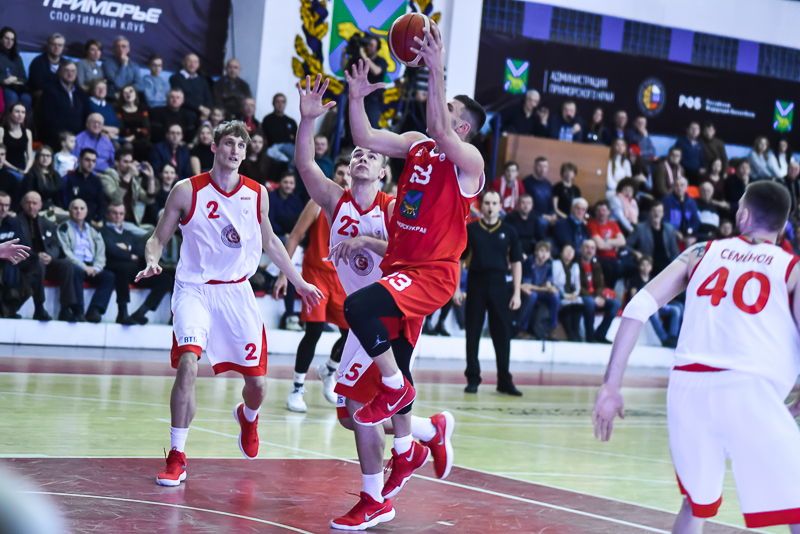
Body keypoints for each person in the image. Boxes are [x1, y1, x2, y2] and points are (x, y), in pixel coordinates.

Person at [336, 21, 485, 523]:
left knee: (358, 308)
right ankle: (412, 447)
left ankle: (399, 400)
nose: (440, 110)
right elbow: (365, 136)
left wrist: (434, 66)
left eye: (451, 108)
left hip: (431, 274)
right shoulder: (419, 144)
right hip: (401, 271)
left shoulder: (468, 163)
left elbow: (442, 129)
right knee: (383, 375)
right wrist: (355, 97)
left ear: (463, 127)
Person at [594, 180, 800, 533]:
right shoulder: (791, 268)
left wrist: (611, 386)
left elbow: (638, 307)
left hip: (688, 389)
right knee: (795, 505)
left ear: (743, 216)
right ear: (782, 227)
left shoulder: (701, 252)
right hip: (750, 390)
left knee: (694, 504)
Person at [294, 74, 453, 530]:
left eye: (371, 155)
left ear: (384, 171)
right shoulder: (335, 201)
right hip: (362, 320)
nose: (361, 158)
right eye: (356, 155)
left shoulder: (393, 208)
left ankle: (375, 498)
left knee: (361, 410)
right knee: (351, 415)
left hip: (392, 315)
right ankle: (426, 433)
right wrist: (307, 120)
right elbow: (305, 164)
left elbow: (411, 252)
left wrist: (366, 240)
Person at [134, 120, 322, 486]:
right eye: (229, 143)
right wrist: (152, 260)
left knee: (258, 386)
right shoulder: (186, 190)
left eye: (241, 145)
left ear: (246, 153)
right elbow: (157, 238)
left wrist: (298, 281)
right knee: (188, 363)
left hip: (236, 292)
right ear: (215, 147)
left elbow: (271, 242)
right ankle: (177, 455)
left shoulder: (257, 193)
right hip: (194, 289)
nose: (235, 150)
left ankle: (248, 417)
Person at [272, 158, 351, 412]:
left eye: (348, 174)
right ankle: (297, 388)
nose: (344, 178)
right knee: (314, 330)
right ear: (333, 176)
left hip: (343, 278)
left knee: (353, 334)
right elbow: (295, 236)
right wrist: (284, 274)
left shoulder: (360, 208)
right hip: (316, 275)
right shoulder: (317, 203)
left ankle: (329, 369)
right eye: (340, 173)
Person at [461, 190, 522, 394]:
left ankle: (504, 380)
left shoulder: (509, 231)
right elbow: (460, 260)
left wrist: (517, 293)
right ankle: (472, 377)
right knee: (473, 331)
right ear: (482, 205)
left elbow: (516, 262)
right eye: (487, 203)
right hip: (476, 281)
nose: (490, 206)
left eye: (494, 203)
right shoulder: (471, 229)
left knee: (502, 333)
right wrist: (456, 289)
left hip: (499, 283)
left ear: (500, 206)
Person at [101, 202, 172, 324]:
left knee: (166, 279)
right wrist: (131, 255)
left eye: (121, 214)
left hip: (132, 269)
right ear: (107, 215)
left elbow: (142, 250)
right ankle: (122, 313)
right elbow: (111, 250)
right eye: (114, 213)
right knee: (122, 269)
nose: (118, 216)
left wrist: (127, 248)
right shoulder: (103, 231)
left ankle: (141, 312)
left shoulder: (128, 234)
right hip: (114, 267)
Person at [18, 191, 78, 321]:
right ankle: (39, 307)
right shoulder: (16, 222)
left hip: (46, 261)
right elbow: (17, 245)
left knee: (66, 264)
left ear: (40, 206)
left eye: (35, 203)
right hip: (27, 262)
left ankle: (66, 309)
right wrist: (35, 256)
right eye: (28, 203)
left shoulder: (47, 223)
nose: (31, 206)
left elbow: (56, 245)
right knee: (38, 263)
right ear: (22, 204)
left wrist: (50, 256)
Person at [57, 198, 115, 322]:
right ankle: (78, 311)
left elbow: (100, 251)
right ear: (70, 211)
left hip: (91, 266)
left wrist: (97, 267)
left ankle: (95, 310)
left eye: (82, 208)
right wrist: (83, 266)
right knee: (76, 272)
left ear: (86, 212)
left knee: (109, 276)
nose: (79, 211)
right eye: (75, 208)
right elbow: (66, 252)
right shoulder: (63, 228)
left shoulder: (92, 230)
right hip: (75, 265)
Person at [626, 254, 682, 348]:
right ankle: (664, 339)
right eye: (643, 264)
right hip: (645, 306)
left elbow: (660, 293)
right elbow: (633, 295)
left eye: (647, 265)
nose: (645, 267)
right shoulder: (635, 279)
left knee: (676, 310)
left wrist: (661, 302)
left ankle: (673, 337)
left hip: (656, 305)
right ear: (639, 266)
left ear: (651, 267)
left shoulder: (653, 279)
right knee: (654, 313)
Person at [100, 147, 156, 232]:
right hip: (117, 223)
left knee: (159, 232)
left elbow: (149, 200)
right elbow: (116, 200)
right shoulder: (107, 178)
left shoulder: (132, 181)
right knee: (151, 236)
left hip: (133, 223)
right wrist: (129, 175)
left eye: (131, 162)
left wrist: (151, 178)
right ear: (116, 163)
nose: (130, 166)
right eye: (126, 162)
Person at [39, 61, 89, 150]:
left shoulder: (80, 92)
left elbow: (87, 113)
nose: (70, 74)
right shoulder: (50, 91)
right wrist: (65, 134)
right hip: (58, 134)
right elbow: (49, 117)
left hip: (78, 134)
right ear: (60, 72)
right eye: (66, 70)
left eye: (73, 71)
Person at [578, 239, 620, 343]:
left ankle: (600, 334)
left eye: (592, 248)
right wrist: (593, 298)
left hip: (595, 297)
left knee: (615, 304)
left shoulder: (596, 265)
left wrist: (599, 296)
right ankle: (590, 336)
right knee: (590, 302)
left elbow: (601, 284)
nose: (589, 250)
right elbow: (577, 286)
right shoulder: (576, 264)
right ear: (581, 249)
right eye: (587, 247)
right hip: (581, 295)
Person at [517, 240, 559, 339]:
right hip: (527, 290)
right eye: (542, 250)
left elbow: (548, 281)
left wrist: (550, 287)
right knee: (532, 295)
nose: (544, 254)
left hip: (540, 290)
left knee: (555, 296)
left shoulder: (549, 263)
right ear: (536, 252)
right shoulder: (529, 262)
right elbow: (527, 285)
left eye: (547, 252)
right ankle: (522, 328)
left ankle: (551, 327)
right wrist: (545, 289)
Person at [0, 190, 32, 317]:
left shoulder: (12, 222)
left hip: (11, 261)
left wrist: (18, 257)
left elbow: (22, 244)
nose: (3, 209)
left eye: (7, 205)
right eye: (0, 205)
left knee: (35, 262)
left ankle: (12, 307)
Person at [626, 202, 679, 276]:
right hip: (648, 264)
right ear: (650, 212)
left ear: (663, 214)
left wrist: (675, 266)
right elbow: (626, 245)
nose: (657, 214)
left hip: (666, 263)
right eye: (654, 211)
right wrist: (635, 252)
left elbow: (675, 252)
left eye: (659, 211)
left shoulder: (669, 228)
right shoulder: (640, 228)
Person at [20, 145, 66, 220]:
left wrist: (60, 208)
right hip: (37, 210)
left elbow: (58, 196)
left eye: (48, 156)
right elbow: (29, 196)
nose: (45, 158)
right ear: (37, 157)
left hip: (54, 208)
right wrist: (48, 207)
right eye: (42, 155)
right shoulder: (31, 174)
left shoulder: (55, 175)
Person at [587, 200, 626, 288]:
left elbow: (622, 242)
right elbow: (600, 246)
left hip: (613, 258)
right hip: (599, 258)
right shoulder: (592, 224)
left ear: (608, 211)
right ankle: (605, 291)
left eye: (604, 210)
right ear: (595, 212)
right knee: (609, 268)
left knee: (624, 267)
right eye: (598, 210)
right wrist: (614, 243)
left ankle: (610, 292)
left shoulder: (613, 224)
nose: (601, 213)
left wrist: (606, 241)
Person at [65, 148, 106, 229]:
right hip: (74, 219)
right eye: (87, 160)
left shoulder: (96, 181)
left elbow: (101, 203)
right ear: (79, 160)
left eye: (93, 161)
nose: (91, 164)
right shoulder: (69, 179)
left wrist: (101, 220)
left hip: (95, 220)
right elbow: (67, 204)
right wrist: (90, 221)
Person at [552, 243, 584, 341]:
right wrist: (565, 295)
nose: (569, 253)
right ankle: (570, 333)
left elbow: (578, 284)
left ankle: (575, 332)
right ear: (561, 253)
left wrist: (575, 294)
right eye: (567, 251)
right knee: (567, 305)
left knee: (579, 303)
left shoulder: (575, 265)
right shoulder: (556, 264)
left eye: (571, 251)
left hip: (572, 295)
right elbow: (555, 282)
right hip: (561, 294)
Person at [169, 54, 213, 120]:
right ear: (183, 63)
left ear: (198, 65)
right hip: (186, 110)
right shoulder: (175, 78)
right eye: (189, 61)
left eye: (195, 62)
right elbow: (180, 99)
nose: (192, 64)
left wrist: (207, 109)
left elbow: (208, 97)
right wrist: (199, 108)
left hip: (203, 111)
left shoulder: (203, 80)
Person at [0, 28, 32, 113]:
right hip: (3, 87)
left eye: (12, 39)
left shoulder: (17, 57)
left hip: (17, 87)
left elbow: (24, 77)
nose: (9, 42)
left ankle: (24, 121)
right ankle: (8, 121)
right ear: (1, 39)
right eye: (7, 38)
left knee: (26, 98)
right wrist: (3, 80)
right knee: (12, 96)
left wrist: (16, 79)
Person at [662, 177, 700, 248]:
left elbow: (695, 221)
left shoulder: (692, 202)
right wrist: (674, 231)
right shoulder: (666, 200)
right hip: (672, 232)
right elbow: (665, 219)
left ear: (686, 187)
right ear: (673, 187)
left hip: (688, 232)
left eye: (682, 185)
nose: (679, 188)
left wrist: (691, 232)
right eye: (676, 185)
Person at [116, 83, 151, 160]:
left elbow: (147, 129)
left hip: (141, 139)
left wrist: (134, 135)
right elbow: (121, 130)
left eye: (131, 91)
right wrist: (137, 130)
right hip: (125, 139)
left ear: (136, 94)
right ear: (122, 95)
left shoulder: (142, 108)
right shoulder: (118, 110)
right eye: (125, 92)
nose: (128, 94)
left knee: (144, 145)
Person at [522, 156, 557, 230]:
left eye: (545, 167)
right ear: (534, 167)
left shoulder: (548, 184)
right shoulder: (527, 182)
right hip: (533, 215)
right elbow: (526, 205)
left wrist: (553, 215)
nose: (542, 169)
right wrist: (543, 216)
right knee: (542, 222)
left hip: (547, 216)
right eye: (540, 166)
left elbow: (551, 204)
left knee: (559, 223)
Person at [0, 102, 33, 178]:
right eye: (17, 111)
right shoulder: (2, 130)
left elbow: (30, 157)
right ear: (10, 114)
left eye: (23, 112)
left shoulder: (27, 132)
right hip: (6, 168)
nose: (20, 115)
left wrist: (26, 170)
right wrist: (16, 170)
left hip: (22, 169)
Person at [267, 172, 303, 238]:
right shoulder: (270, 197)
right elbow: (269, 220)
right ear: (279, 183)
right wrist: (284, 234)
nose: (288, 186)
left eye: (291, 183)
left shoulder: (296, 200)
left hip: (293, 234)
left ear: (295, 185)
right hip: (276, 234)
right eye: (285, 182)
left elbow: (301, 219)